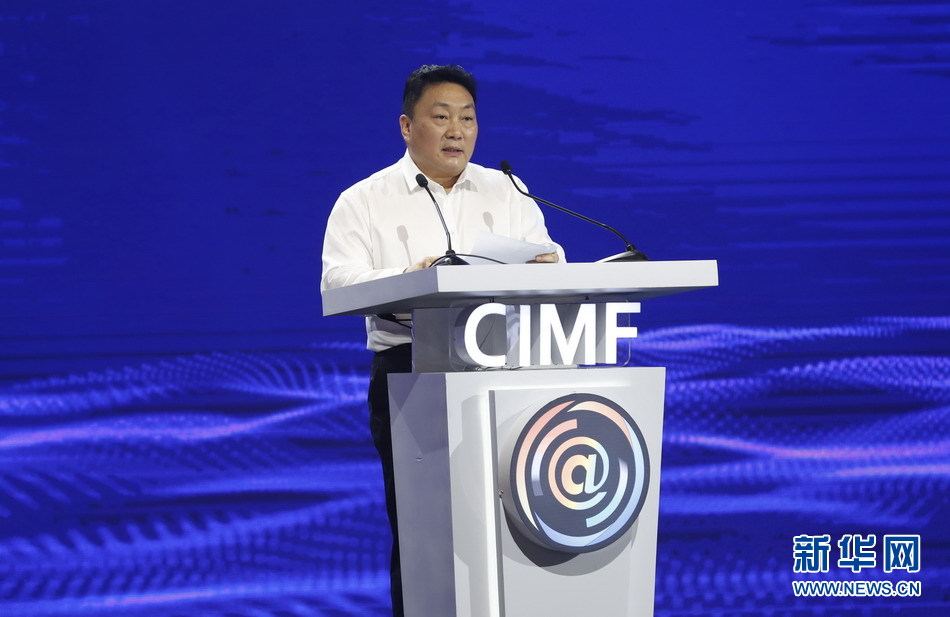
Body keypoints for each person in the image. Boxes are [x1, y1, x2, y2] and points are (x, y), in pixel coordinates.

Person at [320, 64, 562, 617]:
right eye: (441, 117)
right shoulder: (364, 200)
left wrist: (544, 263)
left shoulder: (507, 191)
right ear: (407, 126)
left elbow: (551, 258)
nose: (457, 131)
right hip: (411, 372)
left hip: (506, 370)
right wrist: (411, 279)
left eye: (468, 119)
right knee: (425, 533)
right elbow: (338, 282)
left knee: (513, 525)